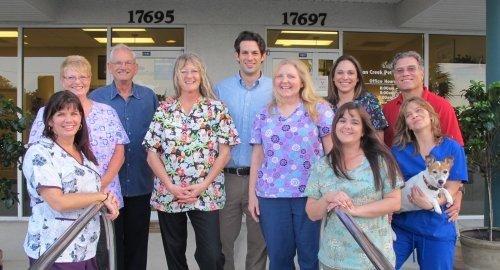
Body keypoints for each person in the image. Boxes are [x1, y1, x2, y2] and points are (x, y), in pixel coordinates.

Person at [28, 55, 129, 269]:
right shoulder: (42, 151)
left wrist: (99, 189)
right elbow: (57, 200)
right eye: (71, 77)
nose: (69, 120)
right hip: (56, 239)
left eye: (83, 76)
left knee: (104, 256)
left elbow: (119, 151)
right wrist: (98, 194)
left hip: (93, 218)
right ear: (49, 120)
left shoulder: (83, 150)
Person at [143, 53, 240, 270]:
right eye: (183, 71)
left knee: (212, 254)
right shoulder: (164, 109)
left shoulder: (216, 109)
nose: (189, 75)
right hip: (169, 192)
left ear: (201, 74)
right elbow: (151, 153)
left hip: (206, 191)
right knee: (174, 252)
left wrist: (203, 185)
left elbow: (226, 152)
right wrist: (171, 186)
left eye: (194, 70)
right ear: (176, 76)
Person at [248, 59, 334, 270]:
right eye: (280, 76)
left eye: (291, 76)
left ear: (302, 82)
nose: (284, 81)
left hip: (310, 194)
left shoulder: (319, 110)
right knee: (278, 258)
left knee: (309, 256)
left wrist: (331, 189)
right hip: (271, 196)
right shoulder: (264, 114)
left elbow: (332, 152)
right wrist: (252, 195)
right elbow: (257, 157)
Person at [305, 102, 403, 270]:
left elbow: (394, 202)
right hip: (333, 261)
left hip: (372, 258)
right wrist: (328, 198)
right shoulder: (322, 165)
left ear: (364, 130)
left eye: (355, 122)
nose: (347, 126)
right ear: (335, 126)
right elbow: (312, 213)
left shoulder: (381, 161)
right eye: (342, 120)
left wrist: (354, 211)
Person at [89, 44, 158, 270]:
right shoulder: (96, 98)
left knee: (138, 246)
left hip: (140, 182)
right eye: (118, 63)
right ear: (109, 67)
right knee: (110, 245)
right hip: (108, 187)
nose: (123, 67)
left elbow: (160, 138)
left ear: (136, 68)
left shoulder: (148, 97)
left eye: (128, 62)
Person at [382, 50, 464, 222]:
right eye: (399, 70)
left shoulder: (442, 106)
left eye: (411, 69)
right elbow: (388, 157)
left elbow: (456, 155)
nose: (405, 74)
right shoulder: (388, 110)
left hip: (436, 209)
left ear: (422, 72)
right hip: (402, 208)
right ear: (394, 76)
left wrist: (457, 193)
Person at [214, 30, 271, 270]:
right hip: (228, 177)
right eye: (244, 52)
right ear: (237, 56)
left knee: (259, 243)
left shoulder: (275, 88)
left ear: (263, 56)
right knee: (223, 242)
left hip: (262, 179)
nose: (250, 57)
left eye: (255, 53)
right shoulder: (220, 89)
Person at [391, 96, 467, 270]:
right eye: (409, 115)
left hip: (437, 227)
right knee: (380, 265)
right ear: (407, 124)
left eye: (419, 110)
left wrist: (432, 204)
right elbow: (390, 185)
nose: (414, 115)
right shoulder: (399, 151)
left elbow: (454, 185)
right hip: (402, 225)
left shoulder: (452, 147)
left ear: (431, 115)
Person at [326, 55, 388, 139]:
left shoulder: (369, 101)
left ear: (358, 78)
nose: (345, 77)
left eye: (350, 73)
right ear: (333, 77)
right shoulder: (326, 105)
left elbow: (378, 138)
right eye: (340, 72)